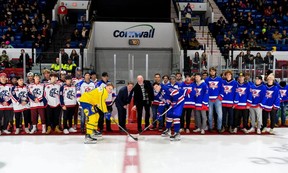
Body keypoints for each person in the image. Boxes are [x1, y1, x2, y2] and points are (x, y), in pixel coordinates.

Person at [205, 67, 223, 133]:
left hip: (217, 100)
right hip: (209, 100)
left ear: (215, 72)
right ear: (209, 72)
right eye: (211, 71)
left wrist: (219, 97)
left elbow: (222, 89)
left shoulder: (219, 79)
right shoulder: (207, 80)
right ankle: (210, 127)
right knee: (210, 114)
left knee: (220, 114)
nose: (212, 72)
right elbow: (206, 90)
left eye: (213, 71)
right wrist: (208, 98)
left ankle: (219, 127)